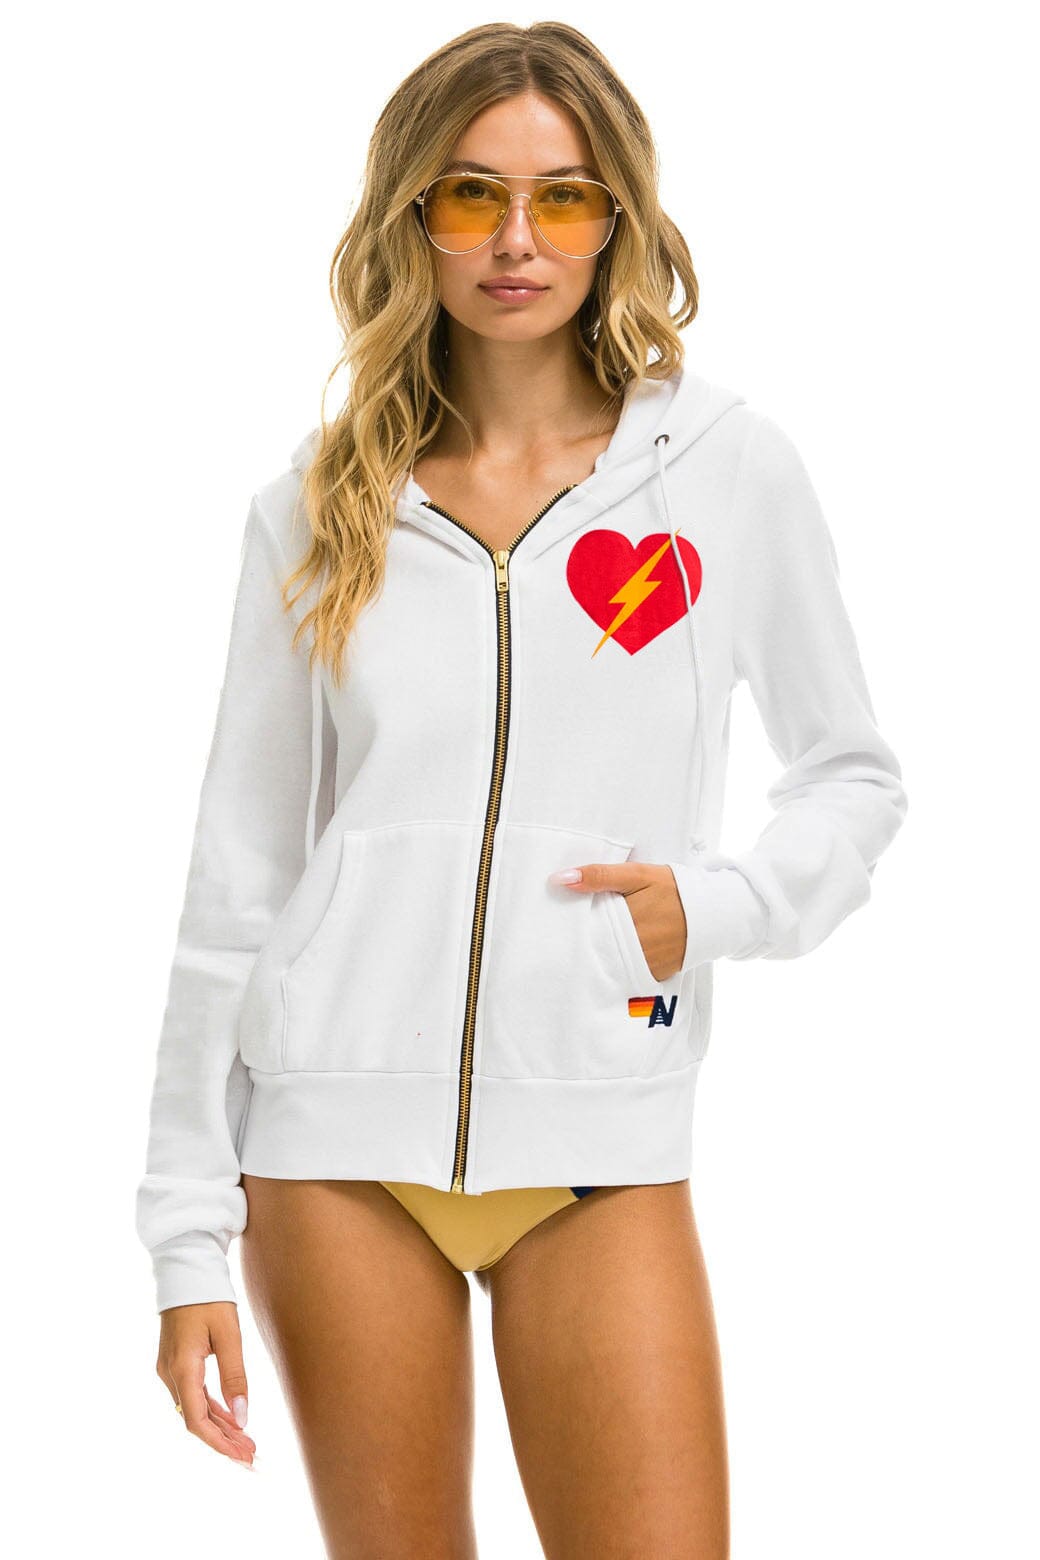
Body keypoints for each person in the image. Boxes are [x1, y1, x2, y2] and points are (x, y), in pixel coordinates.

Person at [135, 20, 908, 1558]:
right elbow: (238, 877)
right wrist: (184, 1239)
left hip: (600, 1138)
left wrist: (717, 908)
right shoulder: (317, 507)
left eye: (560, 199)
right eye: (470, 194)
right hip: (333, 1151)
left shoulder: (722, 474)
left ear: (615, 219)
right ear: (411, 215)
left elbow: (853, 776)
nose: (513, 241)